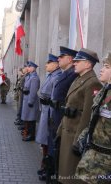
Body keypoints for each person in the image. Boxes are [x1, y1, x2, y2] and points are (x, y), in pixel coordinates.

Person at [75, 52, 111, 183]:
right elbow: (94, 121)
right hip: (91, 158)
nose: (101, 69)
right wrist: (82, 137)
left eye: (106, 66)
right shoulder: (104, 92)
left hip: (107, 165)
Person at [56, 48, 102, 184]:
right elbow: (68, 107)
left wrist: (78, 141)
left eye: (78, 61)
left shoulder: (93, 83)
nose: (74, 63)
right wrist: (60, 130)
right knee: (64, 173)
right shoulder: (79, 79)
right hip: (67, 132)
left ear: (88, 64)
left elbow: (87, 116)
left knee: (71, 176)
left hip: (74, 135)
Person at [46, 46, 78, 181]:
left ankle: (56, 175)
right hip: (55, 117)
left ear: (70, 59)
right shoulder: (66, 73)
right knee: (53, 148)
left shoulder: (73, 75)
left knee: (58, 149)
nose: (58, 58)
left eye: (61, 56)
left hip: (62, 118)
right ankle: (51, 172)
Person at [35, 54, 61, 180]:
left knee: (47, 141)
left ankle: (46, 166)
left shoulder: (57, 77)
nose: (46, 65)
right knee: (44, 141)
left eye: (49, 62)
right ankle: (44, 165)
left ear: (56, 64)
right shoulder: (51, 76)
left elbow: (54, 97)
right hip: (45, 111)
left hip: (49, 112)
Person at [20, 61, 40, 141]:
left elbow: (33, 91)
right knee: (27, 118)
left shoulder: (34, 78)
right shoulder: (29, 76)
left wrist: (31, 102)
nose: (27, 68)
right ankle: (28, 132)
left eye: (29, 67)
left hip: (31, 101)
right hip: (27, 99)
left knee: (31, 119)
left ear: (33, 68)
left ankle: (31, 135)